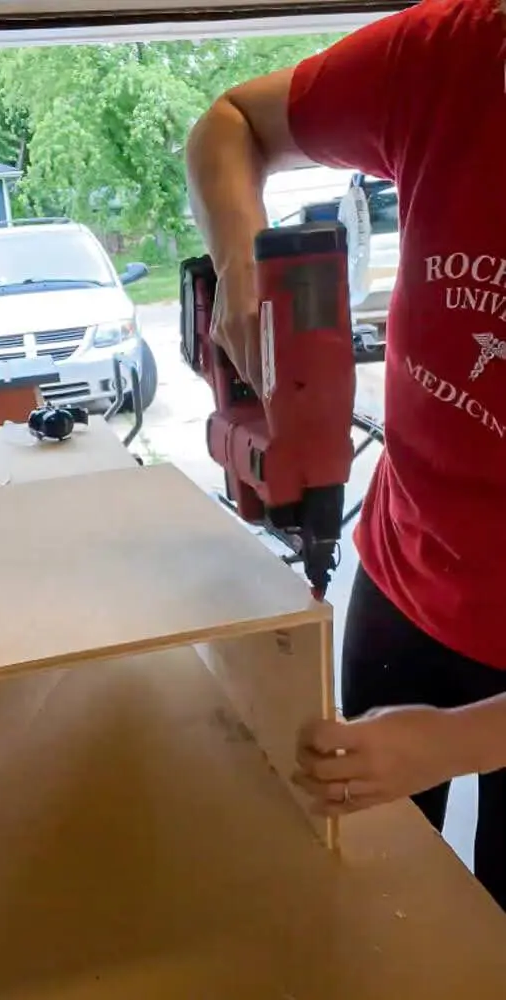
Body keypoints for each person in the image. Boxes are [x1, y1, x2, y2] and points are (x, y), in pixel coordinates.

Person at [185, 0, 506, 910]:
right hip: (405, 582)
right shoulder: (448, 57)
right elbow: (231, 125)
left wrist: (454, 741)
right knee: (363, 899)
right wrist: (242, 268)